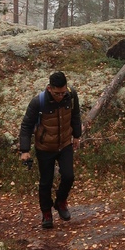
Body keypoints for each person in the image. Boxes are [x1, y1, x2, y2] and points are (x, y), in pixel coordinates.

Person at [19, 71, 82, 229]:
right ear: (49, 89)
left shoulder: (71, 96)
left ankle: (60, 202)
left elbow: (75, 115)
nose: (60, 96)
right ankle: (46, 214)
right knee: (46, 182)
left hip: (65, 144)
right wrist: (25, 150)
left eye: (63, 92)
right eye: (57, 93)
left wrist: (77, 136)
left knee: (68, 176)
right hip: (45, 148)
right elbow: (26, 126)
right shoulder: (38, 102)